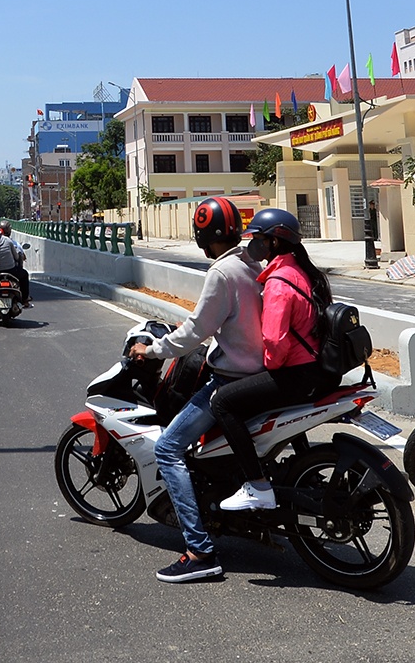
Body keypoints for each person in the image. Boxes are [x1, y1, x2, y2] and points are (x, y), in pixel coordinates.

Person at [128, 196, 263, 583]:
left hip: (232, 378)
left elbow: (195, 330)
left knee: (167, 448)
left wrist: (153, 349)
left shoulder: (222, 273)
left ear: (204, 235)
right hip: (261, 372)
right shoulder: (252, 264)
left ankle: (199, 550)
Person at [208, 208, 339, 513]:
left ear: (274, 244)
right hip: (316, 370)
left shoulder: (279, 283)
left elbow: (276, 344)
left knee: (222, 403)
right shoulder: (302, 272)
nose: (252, 243)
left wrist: (259, 366)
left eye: (258, 238)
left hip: (297, 374)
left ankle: (256, 484)